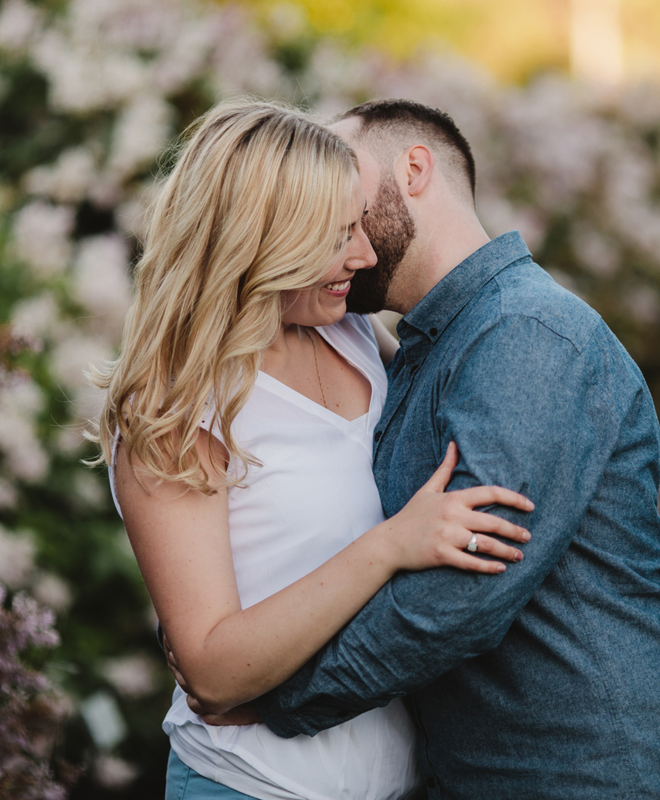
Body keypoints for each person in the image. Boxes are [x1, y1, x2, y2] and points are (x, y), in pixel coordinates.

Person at [191, 99, 660, 799]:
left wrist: (277, 700)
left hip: (600, 770)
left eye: (344, 192)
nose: (330, 218)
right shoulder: (412, 346)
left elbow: (459, 594)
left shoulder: (526, 335)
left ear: (414, 169)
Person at [89, 99, 534, 800]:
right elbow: (211, 670)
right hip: (255, 786)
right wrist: (389, 546)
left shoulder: (351, 335)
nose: (364, 255)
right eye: (336, 237)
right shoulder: (179, 413)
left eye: (359, 223)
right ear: (258, 243)